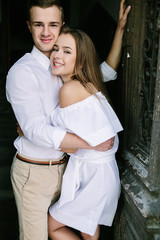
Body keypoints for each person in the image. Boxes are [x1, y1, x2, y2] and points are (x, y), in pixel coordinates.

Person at [5, 0, 131, 239]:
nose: (45, 32)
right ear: (29, 26)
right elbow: (35, 130)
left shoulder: (67, 70)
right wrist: (89, 142)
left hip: (69, 169)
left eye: (52, 25)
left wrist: (120, 30)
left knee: (79, 227)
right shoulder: (23, 72)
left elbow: (104, 73)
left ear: (62, 26)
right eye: (38, 24)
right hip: (36, 173)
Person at [48, 26, 123, 240]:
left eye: (67, 51)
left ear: (80, 60)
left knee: (52, 226)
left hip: (95, 177)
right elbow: (109, 69)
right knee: (88, 232)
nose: (57, 55)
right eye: (55, 49)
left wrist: (30, 133)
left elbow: (67, 142)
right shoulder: (87, 83)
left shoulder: (69, 90)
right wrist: (119, 29)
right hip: (97, 174)